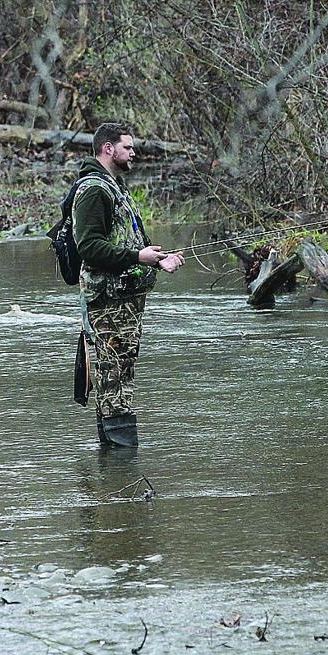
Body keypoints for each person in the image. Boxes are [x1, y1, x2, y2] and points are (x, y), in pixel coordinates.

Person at [72, 122, 185, 448]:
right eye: (127, 147)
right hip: (107, 303)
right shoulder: (93, 190)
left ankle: (113, 467)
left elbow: (128, 243)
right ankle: (123, 464)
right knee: (113, 375)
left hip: (123, 300)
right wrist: (139, 255)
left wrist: (158, 259)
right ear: (108, 148)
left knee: (120, 373)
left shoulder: (113, 187)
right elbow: (89, 247)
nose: (133, 152)